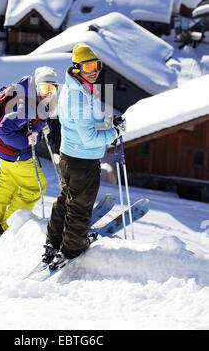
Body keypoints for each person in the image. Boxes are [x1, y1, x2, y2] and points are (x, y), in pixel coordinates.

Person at [43, 43, 126, 269]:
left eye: (96, 65)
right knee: (80, 206)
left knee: (66, 199)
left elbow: (85, 124)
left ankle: (54, 241)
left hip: (72, 155)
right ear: (77, 67)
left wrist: (108, 124)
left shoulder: (78, 87)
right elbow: (89, 138)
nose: (94, 70)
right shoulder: (79, 96)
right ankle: (71, 249)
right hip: (83, 160)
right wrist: (115, 132)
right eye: (88, 66)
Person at [0, 66, 58, 237]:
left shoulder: (27, 91)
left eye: (53, 88)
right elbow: (4, 130)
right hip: (17, 154)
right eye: (45, 88)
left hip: (4, 152)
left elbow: (32, 120)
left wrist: (40, 126)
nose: (49, 93)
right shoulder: (26, 106)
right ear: (37, 86)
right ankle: (6, 227)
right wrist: (26, 141)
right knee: (35, 188)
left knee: (6, 187)